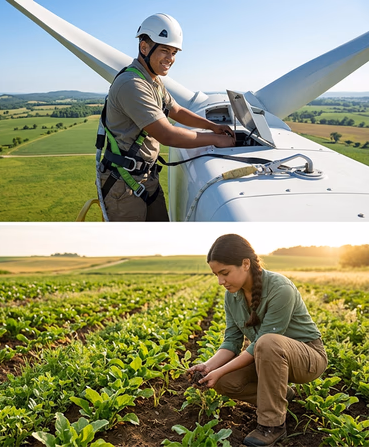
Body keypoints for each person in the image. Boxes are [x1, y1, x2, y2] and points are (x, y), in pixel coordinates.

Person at [188, 234, 327, 446]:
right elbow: (231, 342)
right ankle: (283, 396)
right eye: (216, 275)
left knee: (267, 342)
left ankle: (272, 425)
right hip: (268, 357)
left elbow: (262, 343)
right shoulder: (231, 296)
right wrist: (208, 367)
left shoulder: (280, 289)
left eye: (225, 273)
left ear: (245, 264)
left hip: (307, 358)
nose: (220, 281)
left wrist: (220, 370)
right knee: (225, 381)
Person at [96, 13, 236, 222]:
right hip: (124, 185)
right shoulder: (132, 84)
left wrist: (212, 126)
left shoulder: (152, 81)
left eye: (173, 52)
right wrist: (216, 139)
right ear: (144, 48)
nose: (170, 59)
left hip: (146, 177)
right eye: (164, 50)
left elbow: (176, 110)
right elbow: (167, 135)